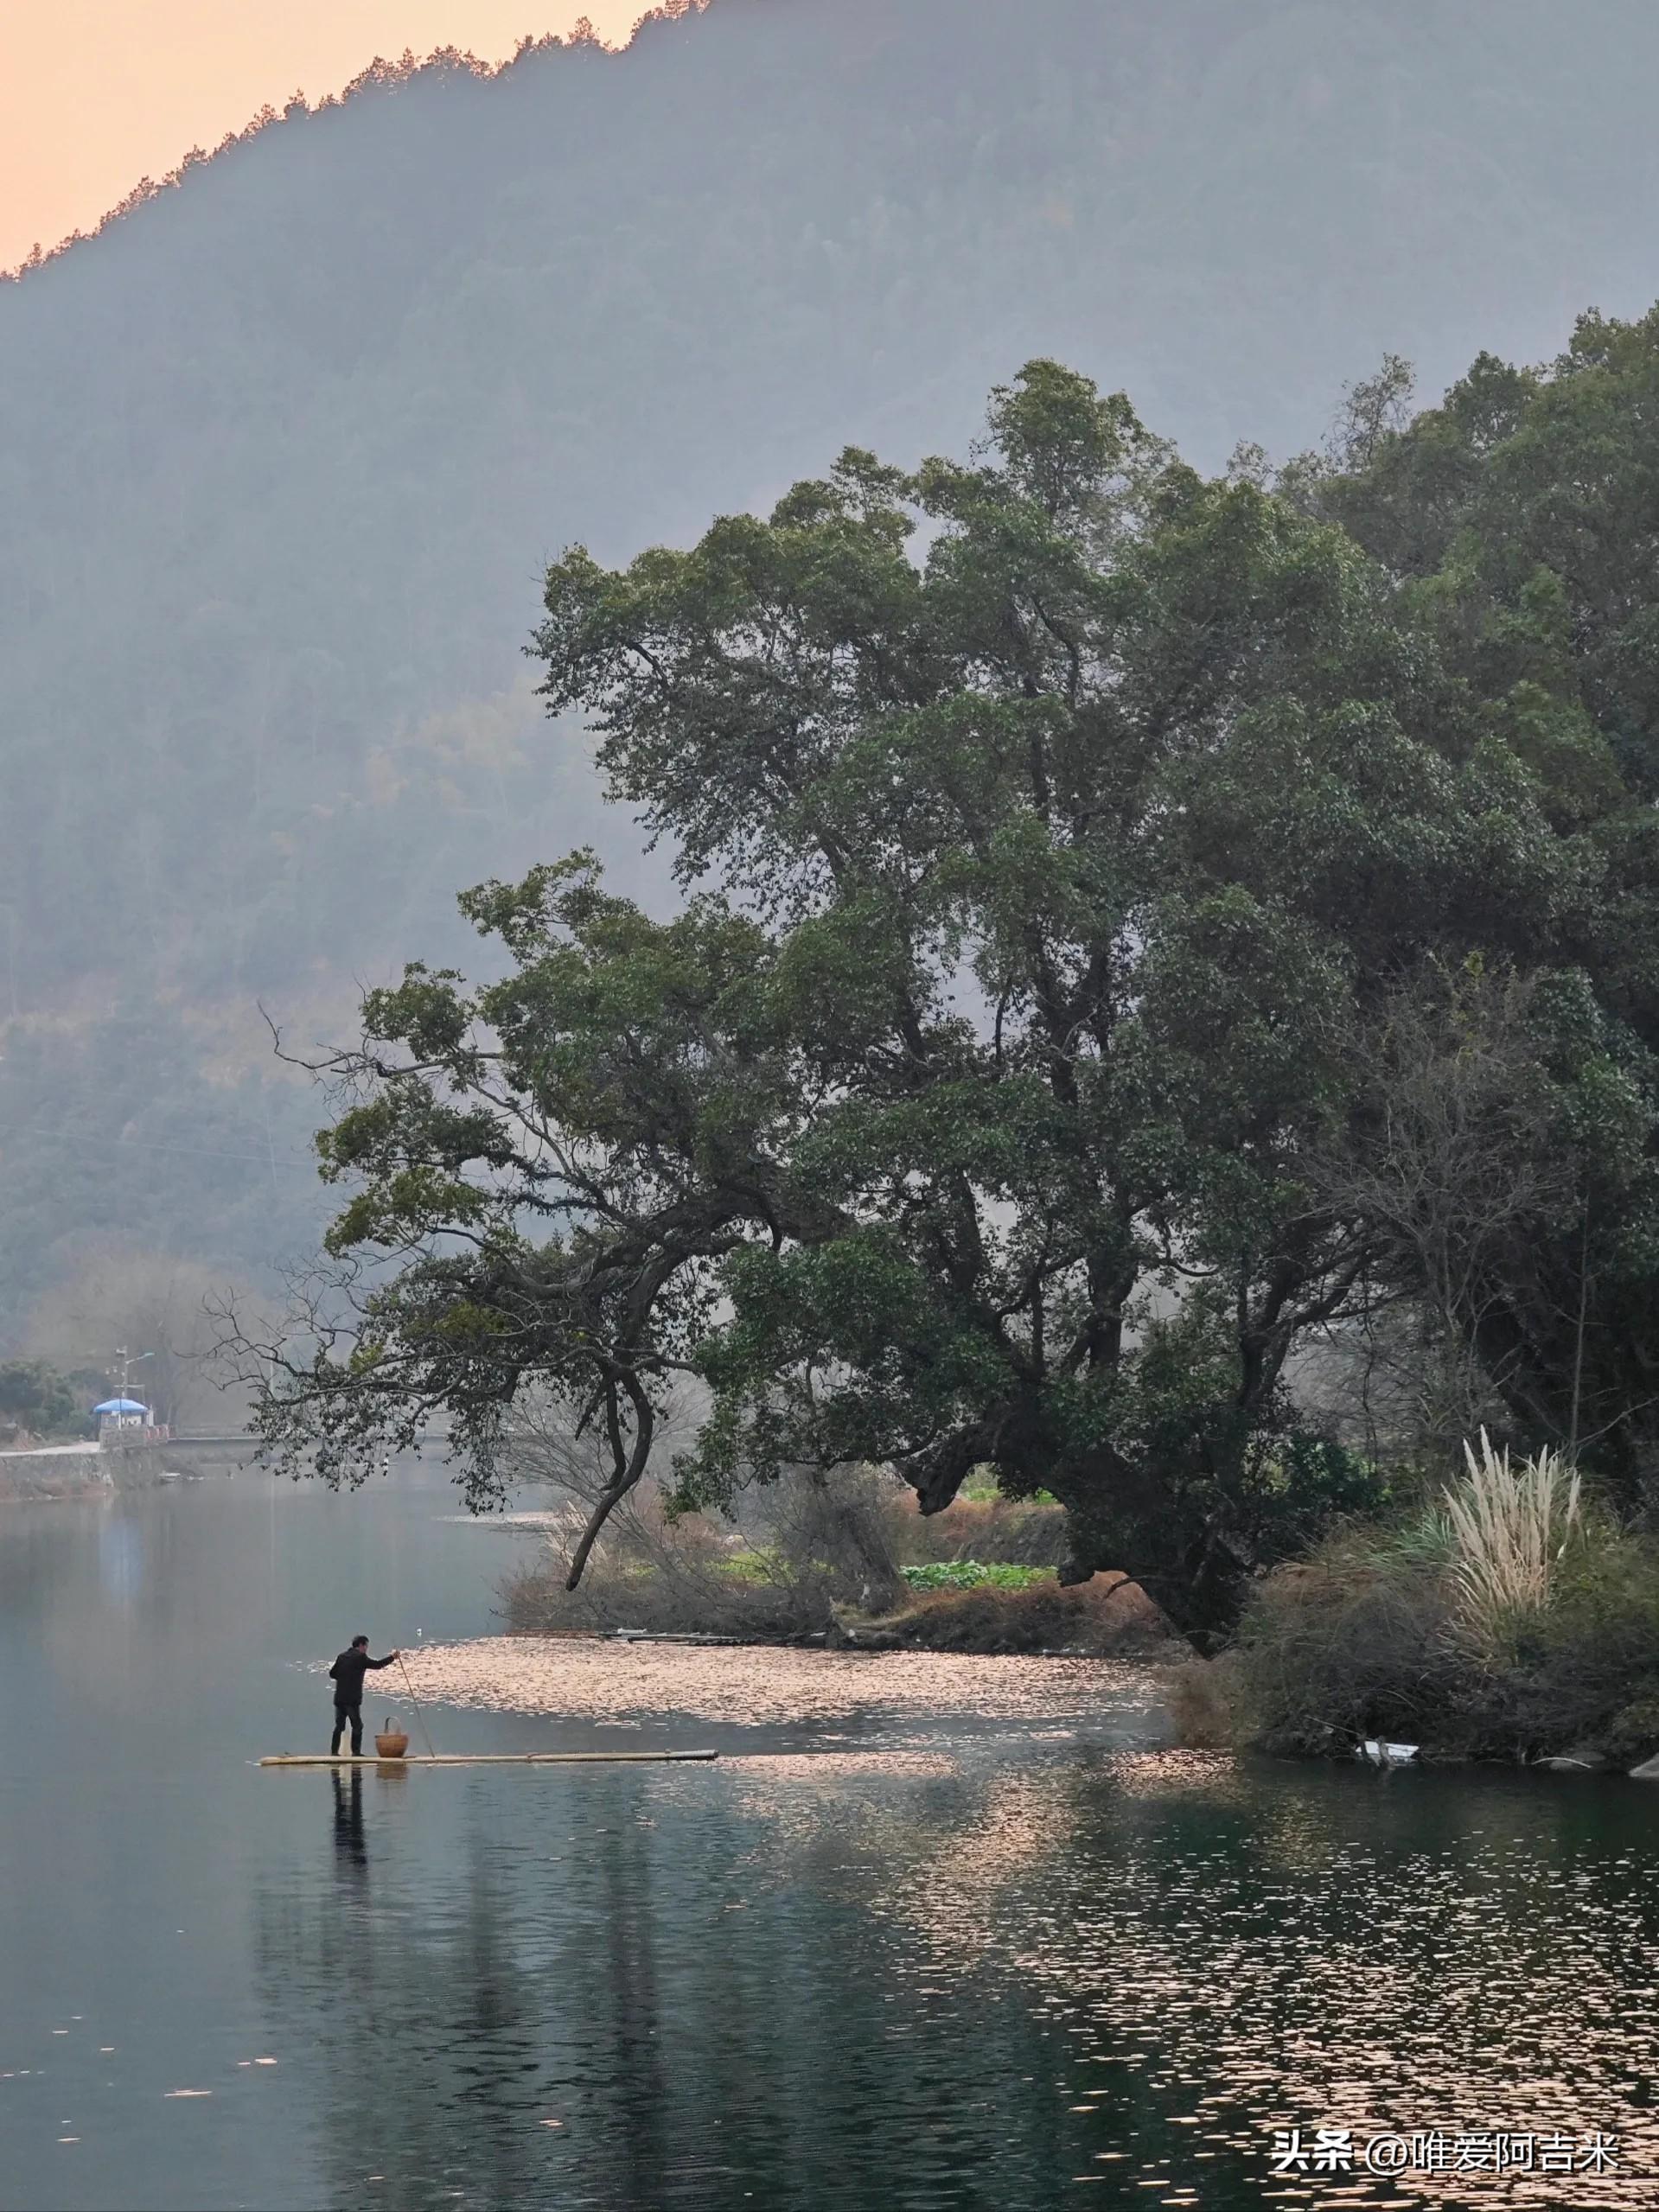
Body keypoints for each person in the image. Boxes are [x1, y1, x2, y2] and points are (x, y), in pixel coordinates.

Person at [328, 1635, 399, 1756]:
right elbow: (377, 1665)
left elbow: (332, 1674)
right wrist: (392, 1657)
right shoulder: (360, 1657)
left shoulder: (342, 1657)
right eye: (366, 1646)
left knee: (339, 1726)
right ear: (361, 1645)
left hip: (339, 1698)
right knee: (357, 1726)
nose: (366, 1649)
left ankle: (334, 1753)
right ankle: (356, 1753)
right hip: (352, 1699)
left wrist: (345, 1676)